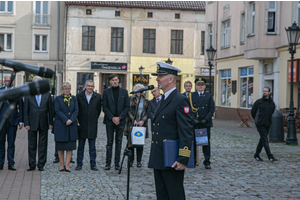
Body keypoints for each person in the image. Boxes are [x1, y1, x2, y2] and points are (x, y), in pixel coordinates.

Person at [148, 62, 193, 200]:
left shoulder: (180, 100)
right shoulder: (163, 99)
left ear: (171, 79)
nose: (157, 79)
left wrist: (183, 158)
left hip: (172, 159)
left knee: (175, 195)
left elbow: (186, 132)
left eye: (160, 76)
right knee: (162, 195)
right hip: (160, 156)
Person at [23, 76, 53, 171]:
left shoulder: (47, 94)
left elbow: (50, 110)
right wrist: (26, 123)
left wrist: (51, 122)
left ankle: (41, 164)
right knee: (32, 145)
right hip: (32, 123)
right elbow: (25, 110)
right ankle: (32, 164)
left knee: (43, 144)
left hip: (44, 122)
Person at [103, 74, 130, 170]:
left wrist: (119, 117)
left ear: (119, 81)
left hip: (121, 121)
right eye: (113, 80)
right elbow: (104, 107)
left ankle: (117, 163)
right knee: (109, 142)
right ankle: (108, 163)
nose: (115, 81)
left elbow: (127, 106)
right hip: (110, 121)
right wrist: (112, 118)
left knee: (118, 143)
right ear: (110, 81)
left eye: (116, 80)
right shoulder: (106, 92)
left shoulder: (124, 92)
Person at [75, 80, 101, 171]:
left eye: (92, 86)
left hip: (92, 124)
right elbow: (77, 110)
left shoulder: (97, 97)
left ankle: (93, 164)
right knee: (81, 146)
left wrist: (93, 119)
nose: (90, 88)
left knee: (92, 147)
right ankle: (79, 163)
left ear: (93, 87)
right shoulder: (79, 96)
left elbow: (98, 111)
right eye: (88, 86)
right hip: (82, 124)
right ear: (85, 86)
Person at [189, 78, 215, 169]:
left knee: (205, 143)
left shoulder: (209, 95)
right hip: (195, 123)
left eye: (202, 85)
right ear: (195, 86)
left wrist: (206, 119)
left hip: (205, 123)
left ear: (204, 86)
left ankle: (207, 161)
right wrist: (193, 119)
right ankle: (193, 160)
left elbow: (211, 109)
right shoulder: (191, 96)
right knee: (194, 142)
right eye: (198, 85)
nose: (200, 87)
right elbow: (188, 110)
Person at [54, 82, 79, 172]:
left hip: (71, 125)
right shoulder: (58, 99)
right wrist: (66, 120)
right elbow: (57, 110)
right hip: (61, 125)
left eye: (68, 88)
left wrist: (71, 120)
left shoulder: (74, 99)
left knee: (70, 146)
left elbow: (76, 110)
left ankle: (67, 165)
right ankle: (61, 165)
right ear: (62, 90)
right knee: (60, 147)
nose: (67, 90)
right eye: (65, 88)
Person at [0, 74, 23, 171]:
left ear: (13, 81)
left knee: (11, 143)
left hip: (13, 121)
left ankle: (11, 163)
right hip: (1, 121)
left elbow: (21, 107)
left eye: (10, 80)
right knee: (1, 143)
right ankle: (0, 163)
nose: (8, 82)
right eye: (6, 80)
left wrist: (21, 121)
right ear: (4, 81)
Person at [124, 83, 149, 168]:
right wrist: (133, 119)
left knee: (140, 144)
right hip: (131, 124)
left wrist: (143, 120)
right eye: (137, 90)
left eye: (140, 90)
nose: (139, 92)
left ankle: (139, 161)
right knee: (131, 144)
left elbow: (148, 112)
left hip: (142, 125)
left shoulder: (146, 101)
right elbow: (127, 110)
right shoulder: (130, 99)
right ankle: (131, 161)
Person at [251, 86, 277, 162]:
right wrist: (257, 120)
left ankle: (256, 155)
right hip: (260, 123)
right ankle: (270, 156)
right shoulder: (258, 102)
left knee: (262, 140)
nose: (264, 92)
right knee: (265, 140)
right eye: (263, 91)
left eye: (266, 91)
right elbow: (253, 112)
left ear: (269, 92)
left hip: (267, 123)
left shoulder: (272, 103)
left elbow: (272, 111)